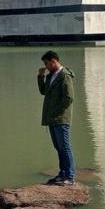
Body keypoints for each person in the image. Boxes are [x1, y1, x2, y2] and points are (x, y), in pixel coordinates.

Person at [37, 50, 76, 186]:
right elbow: (43, 91)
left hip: (61, 118)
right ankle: (62, 174)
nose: (46, 66)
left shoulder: (65, 75)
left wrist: (56, 112)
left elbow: (69, 98)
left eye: (47, 64)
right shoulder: (50, 76)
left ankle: (70, 177)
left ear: (54, 61)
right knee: (58, 147)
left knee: (65, 147)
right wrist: (40, 76)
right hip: (52, 118)